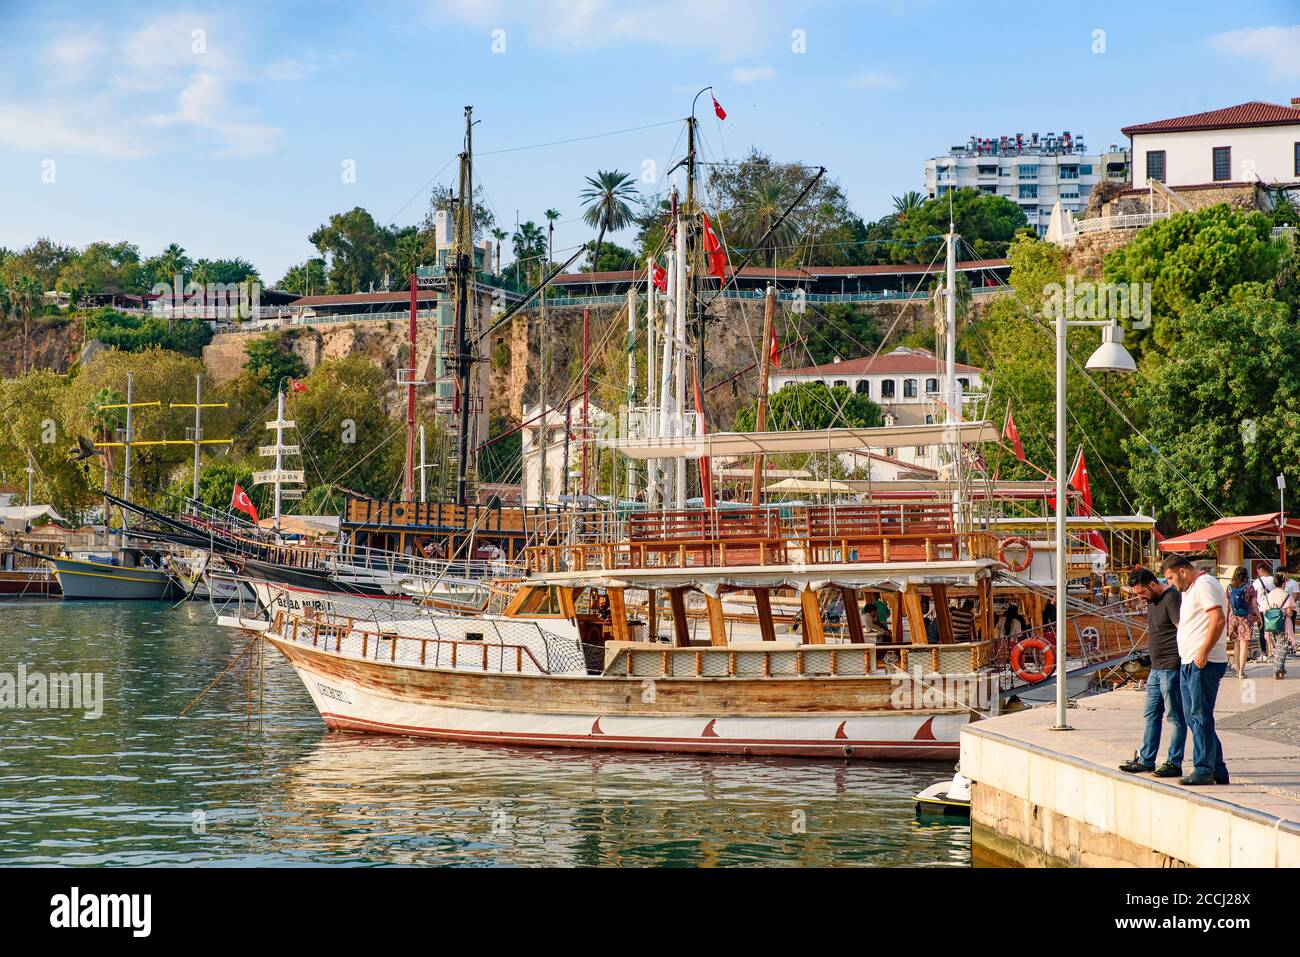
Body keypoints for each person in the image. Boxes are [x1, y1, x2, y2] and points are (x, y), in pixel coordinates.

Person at [1160, 555, 1229, 786]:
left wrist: (1204, 651)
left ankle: (1203, 769)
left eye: (1170, 577)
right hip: (1190, 661)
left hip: (1203, 662)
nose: (1169, 583)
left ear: (1181, 571)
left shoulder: (1204, 584)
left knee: (1199, 716)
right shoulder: (1189, 590)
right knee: (1194, 717)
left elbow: (1217, 619)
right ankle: (1217, 768)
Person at [1119, 568, 1186, 778]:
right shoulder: (1152, 601)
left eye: (1142, 593)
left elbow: (1181, 629)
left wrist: (1181, 660)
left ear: (1153, 584)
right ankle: (1147, 760)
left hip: (1171, 666)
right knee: (1151, 714)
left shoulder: (1171, 598)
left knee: (1174, 716)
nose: (1140, 597)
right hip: (1156, 669)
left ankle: (1174, 762)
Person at [1226, 566, 1259, 677]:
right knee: (1244, 643)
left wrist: (1226, 620)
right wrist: (1259, 617)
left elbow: (1227, 605)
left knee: (1236, 643)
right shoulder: (1249, 587)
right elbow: (1254, 605)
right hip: (1246, 618)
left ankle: (1237, 669)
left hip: (1233, 618)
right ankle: (1241, 672)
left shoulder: (1229, 587)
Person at [1263, 572, 1295, 679]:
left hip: (1270, 624)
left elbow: (1265, 610)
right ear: (1284, 582)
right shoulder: (1286, 595)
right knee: (1282, 648)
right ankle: (1276, 670)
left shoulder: (1268, 595)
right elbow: (1290, 613)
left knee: (1277, 648)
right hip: (1283, 624)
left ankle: (1281, 670)